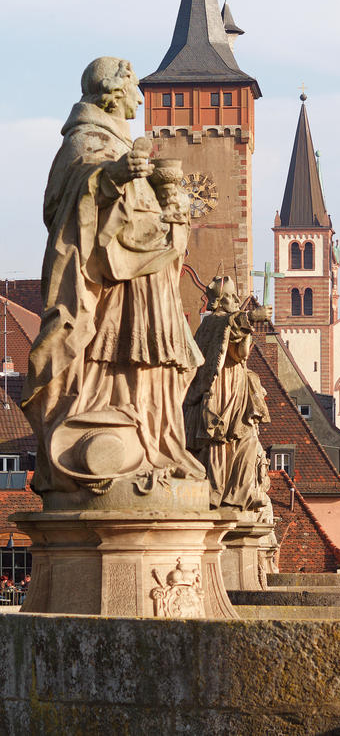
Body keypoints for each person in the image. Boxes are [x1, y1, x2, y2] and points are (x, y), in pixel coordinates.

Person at [22, 57, 205, 497]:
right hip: (115, 283)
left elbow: (140, 216)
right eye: (133, 89)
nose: (141, 98)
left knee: (161, 363)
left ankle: (157, 441)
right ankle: (121, 434)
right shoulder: (85, 139)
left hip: (148, 274)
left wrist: (166, 201)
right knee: (119, 359)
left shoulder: (119, 142)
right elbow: (61, 205)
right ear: (110, 92)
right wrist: (110, 177)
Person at [184, 276, 272, 510]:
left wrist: (248, 325)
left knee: (245, 439)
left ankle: (237, 494)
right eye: (232, 296)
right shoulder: (212, 323)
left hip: (236, 385)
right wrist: (251, 316)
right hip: (220, 386)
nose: (236, 300)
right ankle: (216, 492)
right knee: (219, 438)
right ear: (221, 300)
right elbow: (230, 328)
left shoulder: (224, 321)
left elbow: (240, 350)